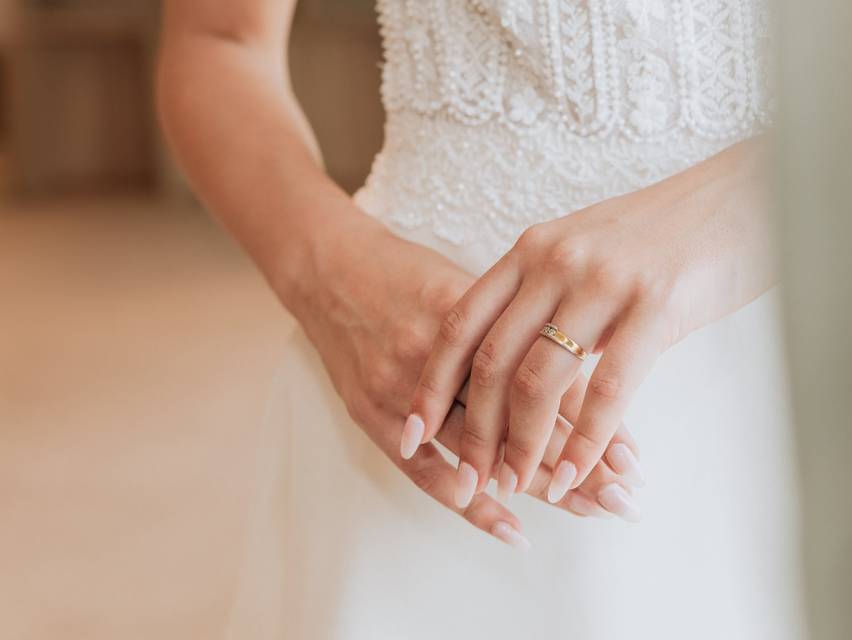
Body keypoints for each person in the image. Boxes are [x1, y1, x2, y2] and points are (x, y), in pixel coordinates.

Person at [157, 1, 800, 638]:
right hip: (419, 358)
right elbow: (220, 40)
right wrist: (333, 278)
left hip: (797, 335)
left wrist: (756, 196)